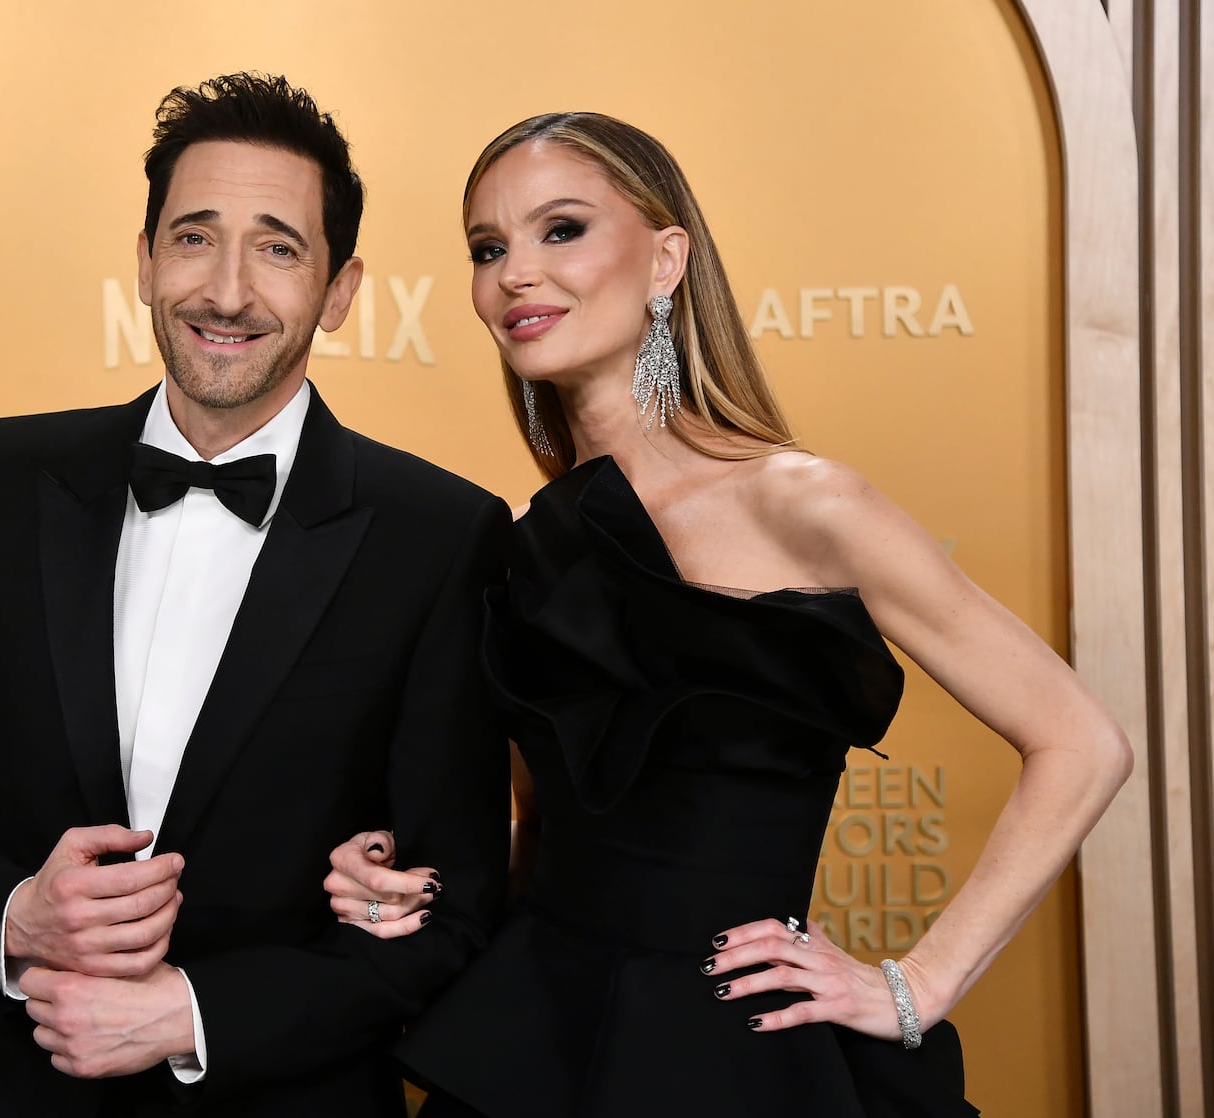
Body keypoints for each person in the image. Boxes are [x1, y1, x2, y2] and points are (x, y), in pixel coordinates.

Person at [322, 112, 1132, 1117]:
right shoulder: (526, 540)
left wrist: (917, 983)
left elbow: (1081, 740)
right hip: (540, 1044)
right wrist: (409, 885)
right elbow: (545, 831)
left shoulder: (805, 503)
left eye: (560, 229)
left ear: (666, 257)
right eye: (488, 249)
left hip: (734, 1056)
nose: (515, 273)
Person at [0, 73, 511, 1118]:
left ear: (339, 290)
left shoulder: (440, 534)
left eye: (279, 247)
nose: (229, 291)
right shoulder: (0, 477)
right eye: (195, 237)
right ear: (148, 259)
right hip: (17, 1085)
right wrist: (18, 912)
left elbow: (455, 906)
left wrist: (195, 1013)